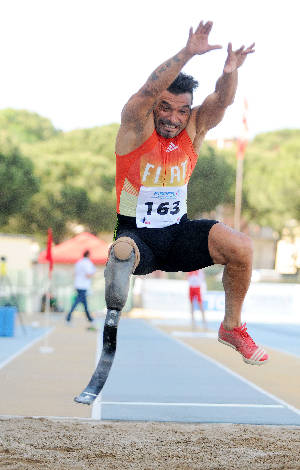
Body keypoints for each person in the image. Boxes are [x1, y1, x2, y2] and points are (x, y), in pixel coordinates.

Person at [75, 20, 268, 405]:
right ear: (154, 107)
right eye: (166, 107)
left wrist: (229, 73)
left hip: (178, 235)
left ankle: (232, 327)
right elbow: (146, 91)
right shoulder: (134, 128)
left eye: (182, 110)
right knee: (124, 251)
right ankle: (113, 310)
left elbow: (221, 101)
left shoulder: (193, 132)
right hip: (139, 235)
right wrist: (187, 54)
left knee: (241, 247)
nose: (173, 117)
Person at [65, 250, 96, 324]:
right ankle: (68, 316)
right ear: (88, 255)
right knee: (78, 301)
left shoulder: (79, 262)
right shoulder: (88, 263)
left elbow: (74, 273)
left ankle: (89, 318)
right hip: (83, 285)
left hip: (78, 284)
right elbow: (88, 275)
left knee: (84, 302)